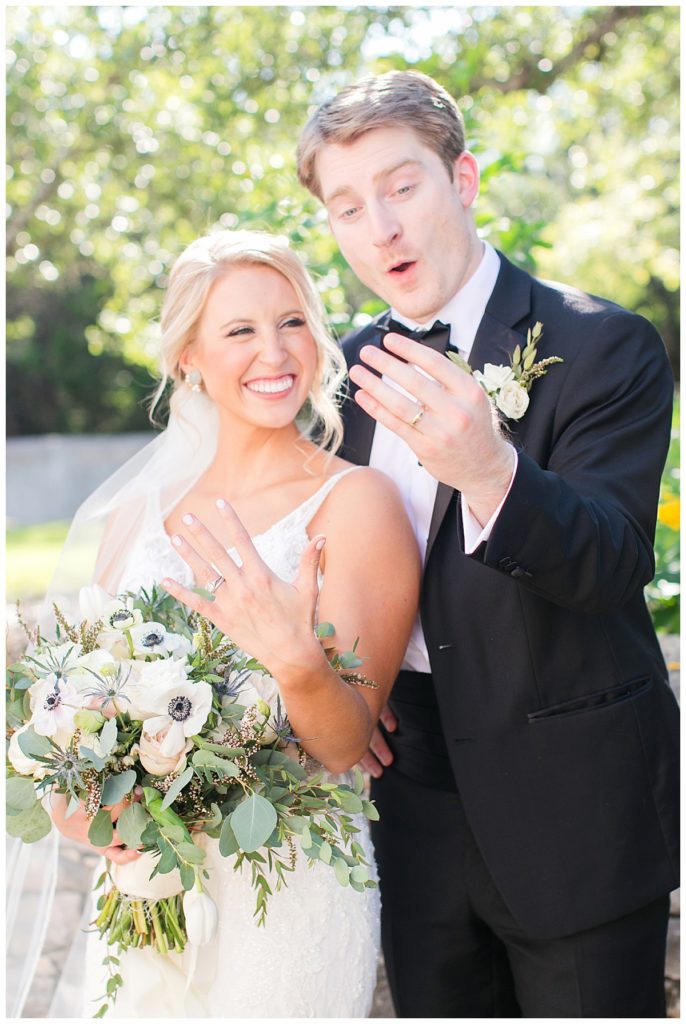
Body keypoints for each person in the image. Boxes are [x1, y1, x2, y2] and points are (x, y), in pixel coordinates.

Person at [296, 70, 680, 1018]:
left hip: (576, 813)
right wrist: (344, 676)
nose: (378, 227)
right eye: (347, 206)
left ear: (462, 180)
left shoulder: (603, 345)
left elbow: (614, 560)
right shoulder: (336, 377)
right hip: (414, 808)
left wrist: (489, 470)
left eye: (401, 186)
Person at [45, 228, 421, 1017]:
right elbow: (75, 711)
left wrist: (296, 660)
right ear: (188, 355)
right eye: (240, 330)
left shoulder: (357, 505)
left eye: (292, 322)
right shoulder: (133, 519)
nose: (275, 352)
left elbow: (347, 742)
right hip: (150, 890)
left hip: (288, 892)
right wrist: (80, 806)